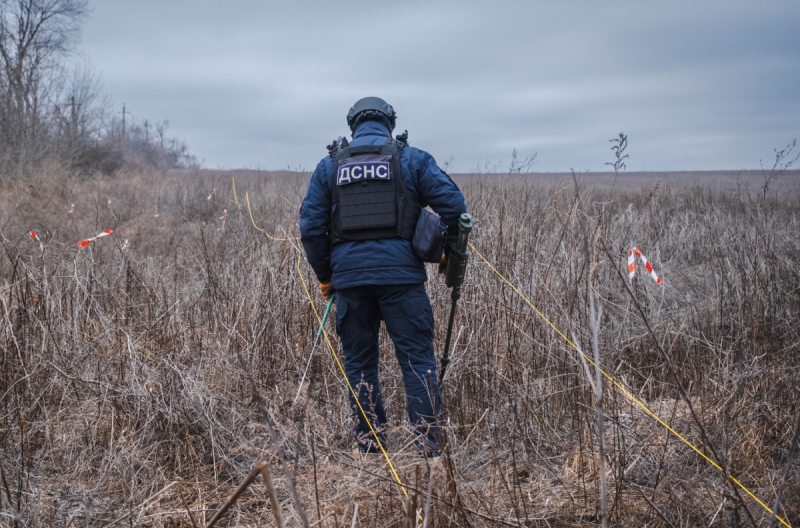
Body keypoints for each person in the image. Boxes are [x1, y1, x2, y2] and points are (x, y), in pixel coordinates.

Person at [299, 96, 467, 455]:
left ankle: (372, 451)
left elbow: (311, 229)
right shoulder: (412, 158)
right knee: (419, 364)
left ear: (352, 125)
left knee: (360, 366)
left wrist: (327, 278)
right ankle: (430, 453)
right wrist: (447, 253)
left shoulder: (329, 167)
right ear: (390, 123)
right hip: (403, 282)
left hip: (350, 285)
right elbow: (455, 207)